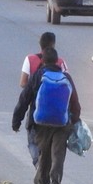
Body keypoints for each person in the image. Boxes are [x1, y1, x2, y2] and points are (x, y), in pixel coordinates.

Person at [12, 48, 80, 184]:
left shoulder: (38, 75)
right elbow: (75, 102)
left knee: (44, 152)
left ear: (42, 61)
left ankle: (43, 183)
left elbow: (24, 99)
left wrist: (16, 121)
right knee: (58, 153)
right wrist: (74, 120)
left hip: (42, 121)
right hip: (62, 122)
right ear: (57, 61)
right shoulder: (66, 77)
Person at [20, 32, 68, 167]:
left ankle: (38, 163)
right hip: (58, 110)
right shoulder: (61, 61)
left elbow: (23, 83)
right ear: (53, 45)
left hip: (36, 109)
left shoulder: (30, 59)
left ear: (40, 44)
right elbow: (68, 84)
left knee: (32, 140)